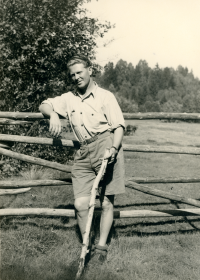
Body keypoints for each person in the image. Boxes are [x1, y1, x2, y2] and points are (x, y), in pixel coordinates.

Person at [39, 55, 125, 265]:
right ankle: (86, 245)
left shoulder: (106, 96)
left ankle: (101, 247)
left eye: (80, 72)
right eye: (72, 75)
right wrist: (52, 115)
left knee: (105, 201)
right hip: (83, 152)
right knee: (80, 204)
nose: (76, 77)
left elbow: (119, 126)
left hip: (106, 145)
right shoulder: (68, 98)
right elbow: (44, 105)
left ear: (89, 70)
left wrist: (113, 148)